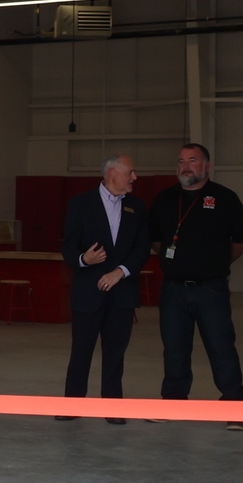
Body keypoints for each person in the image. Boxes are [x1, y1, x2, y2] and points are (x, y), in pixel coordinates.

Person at [149, 143, 243, 431]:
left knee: (221, 348)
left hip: (211, 289)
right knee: (174, 349)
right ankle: (173, 402)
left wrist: (217, 263)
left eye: (193, 160)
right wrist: (177, 263)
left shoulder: (224, 198)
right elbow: (156, 240)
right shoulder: (164, 199)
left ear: (206, 165)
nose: (185, 166)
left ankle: (234, 407)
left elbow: (242, 238)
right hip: (173, 289)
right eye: (181, 161)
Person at [58, 154, 147, 424]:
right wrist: (85, 259)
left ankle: (112, 406)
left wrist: (119, 272)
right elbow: (68, 248)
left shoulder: (137, 206)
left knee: (115, 352)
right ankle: (71, 404)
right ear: (111, 174)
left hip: (122, 293)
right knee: (81, 350)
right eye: (130, 172)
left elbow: (142, 249)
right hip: (88, 293)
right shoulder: (81, 204)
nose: (134, 178)